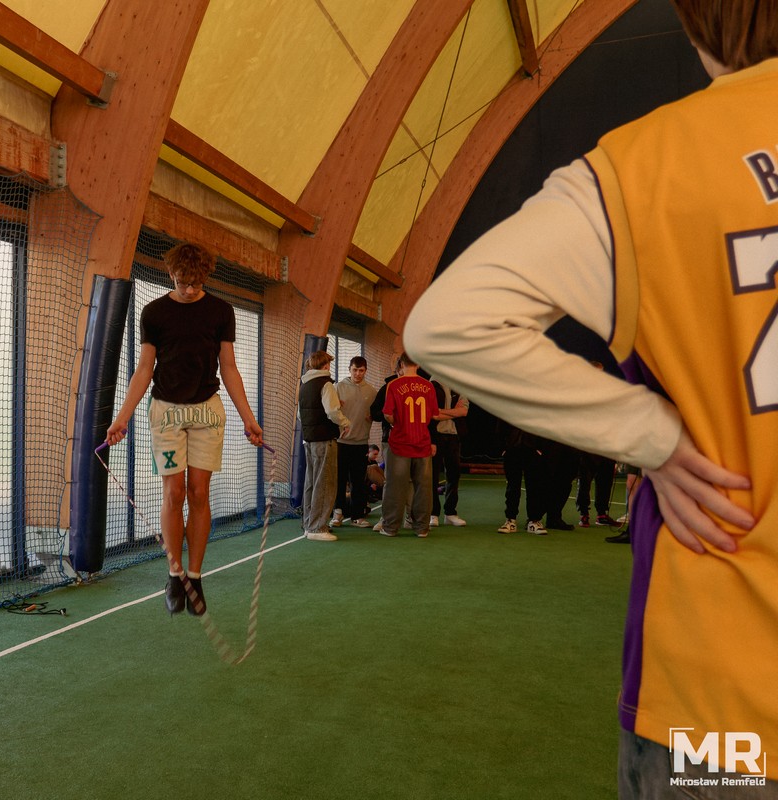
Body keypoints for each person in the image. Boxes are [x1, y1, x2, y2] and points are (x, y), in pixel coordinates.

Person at [404, 2, 770, 792]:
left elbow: (447, 323)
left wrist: (652, 432)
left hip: (720, 685)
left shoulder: (645, 164)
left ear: (696, 21)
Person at [106, 243, 263, 616]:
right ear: (170, 274)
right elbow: (144, 368)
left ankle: (195, 575)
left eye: (196, 283)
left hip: (207, 411)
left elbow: (229, 367)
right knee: (174, 492)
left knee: (199, 493)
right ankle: (174, 575)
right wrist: (122, 416)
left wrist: (249, 417)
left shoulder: (221, 311)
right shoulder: (154, 313)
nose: (189, 290)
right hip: (166, 412)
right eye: (182, 282)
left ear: (205, 277)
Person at [375, 352, 438, 538]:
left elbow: (387, 414)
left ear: (401, 364)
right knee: (423, 488)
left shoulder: (394, 385)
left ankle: (390, 528)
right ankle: (422, 528)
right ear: (418, 364)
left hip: (400, 443)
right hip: (422, 443)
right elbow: (434, 414)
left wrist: (398, 423)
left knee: (395, 487)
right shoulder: (429, 386)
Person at [299, 351, 351, 541]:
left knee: (311, 483)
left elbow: (301, 415)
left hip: (309, 439)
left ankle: (308, 524)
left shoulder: (304, 385)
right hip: (324, 439)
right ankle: (318, 528)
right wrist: (345, 423)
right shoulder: (326, 384)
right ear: (326, 365)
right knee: (325, 483)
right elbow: (332, 412)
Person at [331, 356, 376, 528]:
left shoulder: (372, 392)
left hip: (361, 443)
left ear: (366, 371)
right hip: (341, 442)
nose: (358, 373)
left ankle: (358, 516)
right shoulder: (338, 388)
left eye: (361, 370)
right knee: (339, 480)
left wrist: (374, 416)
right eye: (355, 370)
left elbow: (379, 412)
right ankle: (337, 513)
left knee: (358, 482)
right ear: (349, 369)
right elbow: (330, 411)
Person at [496, 420, 549, 535]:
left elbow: (543, 424)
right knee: (512, 487)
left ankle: (534, 521)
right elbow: (501, 424)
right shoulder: (510, 410)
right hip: (512, 449)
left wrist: (540, 448)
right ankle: (510, 520)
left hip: (532, 450)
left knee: (534, 486)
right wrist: (504, 448)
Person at [429, 378, 469, 526]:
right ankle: (433, 514)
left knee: (454, 474)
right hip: (436, 436)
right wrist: (454, 412)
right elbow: (433, 415)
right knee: (433, 476)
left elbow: (463, 411)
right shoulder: (432, 384)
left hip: (454, 436)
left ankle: (450, 513)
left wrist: (442, 412)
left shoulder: (459, 385)